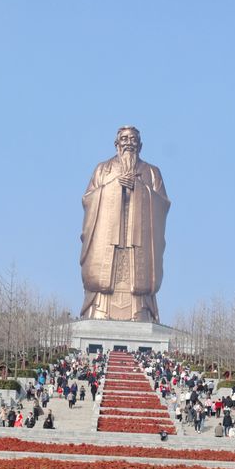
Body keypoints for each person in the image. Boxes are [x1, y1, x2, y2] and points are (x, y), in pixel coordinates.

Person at [80, 127, 170, 322]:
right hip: (108, 239)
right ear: (116, 144)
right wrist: (114, 187)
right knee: (105, 279)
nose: (128, 142)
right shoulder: (103, 169)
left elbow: (162, 204)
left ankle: (140, 311)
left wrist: (139, 189)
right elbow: (88, 199)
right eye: (124, 139)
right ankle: (100, 310)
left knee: (137, 276)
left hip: (138, 242)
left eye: (133, 139)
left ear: (140, 145)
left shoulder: (152, 172)